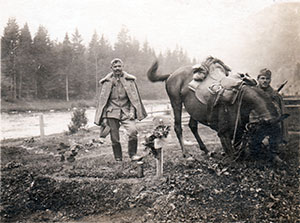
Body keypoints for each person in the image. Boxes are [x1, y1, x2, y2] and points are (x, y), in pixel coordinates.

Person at [94, 58, 147, 161]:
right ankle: (118, 158)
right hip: (111, 112)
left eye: (119, 66)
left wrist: (132, 112)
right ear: (111, 68)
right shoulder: (107, 82)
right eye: (115, 67)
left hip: (126, 112)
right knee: (114, 138)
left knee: (133, 131)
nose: (117, 68)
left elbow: (133, 99)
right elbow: (103, 101)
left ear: (123, 67)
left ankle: (132, 154)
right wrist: (104, 117)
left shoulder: (129, 81)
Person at [250, 68, 288, 163]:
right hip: (255, 121)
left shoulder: (274, 94)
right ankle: (256, 154)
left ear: (270, 80)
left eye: (267, 79)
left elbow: (278, 110)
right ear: (258, 79)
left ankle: (273, 154)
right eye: (262, 78)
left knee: (276, 128)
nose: (265, 81)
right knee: (256, 134)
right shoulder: (252, 92)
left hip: (270, 121)